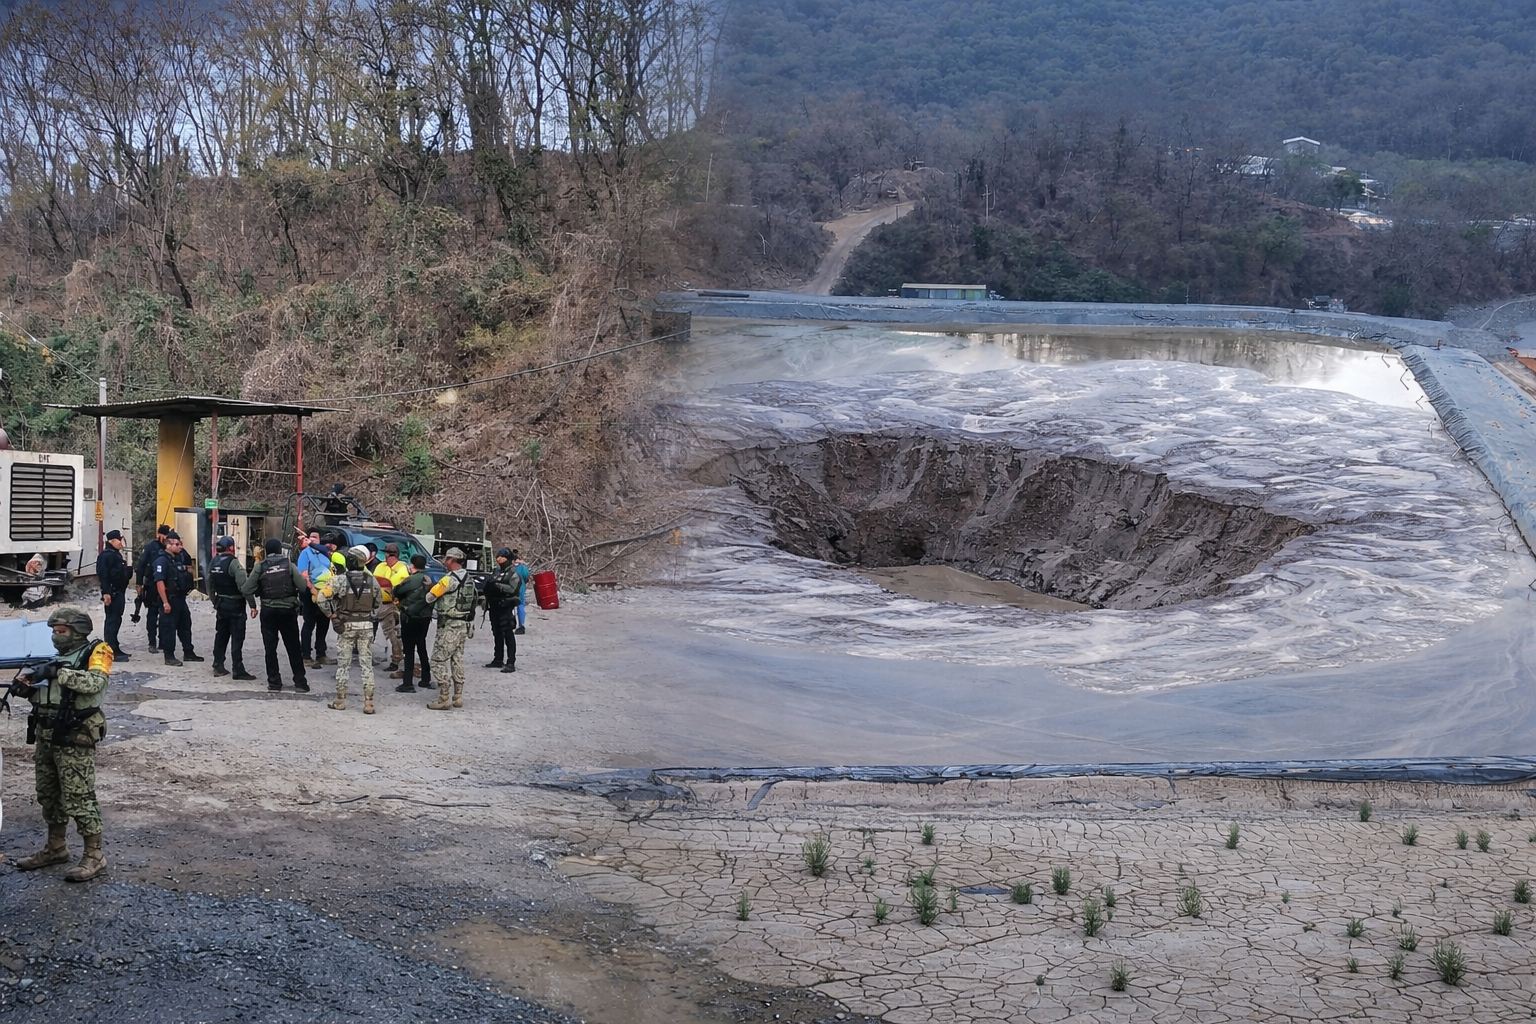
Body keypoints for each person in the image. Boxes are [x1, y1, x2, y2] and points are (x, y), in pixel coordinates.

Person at [12, 607, 113, 882]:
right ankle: (55, 848)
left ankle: (94, 855)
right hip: (47, 733)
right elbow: (49, 693)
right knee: (48, 793)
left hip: (74, 735)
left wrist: (58, 672)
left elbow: (94, 683)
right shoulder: (57, 658)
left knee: (78, 796)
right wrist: (28, 689)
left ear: (78, 631)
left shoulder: (98, 651)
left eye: (61, 632)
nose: (56, 637)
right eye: (53, 632)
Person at [241, 537, 310, 692]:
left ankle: (274, 683)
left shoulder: (260, 566)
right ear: (280, 550)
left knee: (270, 648)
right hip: (288, 611)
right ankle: (300, 682)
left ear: (267, 551)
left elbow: (246, 589)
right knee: (293, 647)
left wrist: (259, 589)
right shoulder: (289, 565)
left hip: (268, 612)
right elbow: (303, 586)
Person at [319, 545, 382, 713]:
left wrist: (331, 615)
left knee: (343, 664)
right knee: (366, 664)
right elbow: (378, 602)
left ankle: (340, 700)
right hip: (366, 625)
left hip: (346, 625)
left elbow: (321, 598)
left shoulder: (339, 580)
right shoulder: (371, 580)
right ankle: (369, 702)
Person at [424, 548, 476, 710]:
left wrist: (430, 587)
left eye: (446, 559)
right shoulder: (469, 578)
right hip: (463, 624)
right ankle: (458, 695)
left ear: (452, 560)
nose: (444, 561)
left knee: (437, 661)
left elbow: (430, 597)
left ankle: (444, 696)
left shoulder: (447, 580)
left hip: (448, 625)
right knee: (457, 658)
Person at [208, 536, 258, 680]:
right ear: (230, 547)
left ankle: (218, 664)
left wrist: (214, 601)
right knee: (237, 638)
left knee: (221, 636)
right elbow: (244, 587)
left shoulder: (214, 562)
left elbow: (209, 583)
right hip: (235, 605)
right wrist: (252, 605)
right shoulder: (234, 563)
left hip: (221, 604)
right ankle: (238, 669)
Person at [152, 531, 202, 666]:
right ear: (168, 545)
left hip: (180, 598)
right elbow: (160, 582)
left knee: (185, 625)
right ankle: (169, 656)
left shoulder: (177, 559)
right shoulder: (161, 560)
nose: (180, 547)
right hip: (170, 599)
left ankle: (189, 653)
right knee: (168, 627)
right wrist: (165, 602)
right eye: (177, 544)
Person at [391, 554, 432, 693]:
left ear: (412, 565)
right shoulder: (428, 578)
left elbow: (397, 591)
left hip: (410, 616)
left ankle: (407, 682)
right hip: (425, 617)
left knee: (408, 650)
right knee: (421, 645)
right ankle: (425, 679)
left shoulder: (413, 579)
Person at [296, 530, 333, 667]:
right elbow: (303, 574)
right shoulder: (305, 554)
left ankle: (321, 654)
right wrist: (312, 589)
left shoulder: (325, 553)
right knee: (309, 624)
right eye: (311, 537)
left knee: (323, 624)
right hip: (310, 592)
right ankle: (306, 655)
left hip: (326, 593)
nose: (313, 539)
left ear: (320, 539)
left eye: (315, 537)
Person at [484, 548, 522, 673]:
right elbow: (490, 582)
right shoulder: (497, 571)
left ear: (508, 559)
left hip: (506, 606)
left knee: (508, 634)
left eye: (502, 557)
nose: (499, 559)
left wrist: (497, 586)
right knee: (497, 633)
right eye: (498, 557)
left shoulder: (513, 574)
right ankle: (498, 659)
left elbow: (512, 589)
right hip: (494, 605)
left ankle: (511, 662)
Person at [97, 530, 132, 661]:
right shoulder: (106, 556)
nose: (121, 543)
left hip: (119, 592)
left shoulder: (115, 555)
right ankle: (110, 650)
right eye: (119, 540)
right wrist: (106, 593)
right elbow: (103, 575)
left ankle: (115, 647)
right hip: (113, 593)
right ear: (112, 541)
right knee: (112, 621)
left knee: (117, 620)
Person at [373, 542, 408, 671]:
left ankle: (396, 658)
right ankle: (397, 656)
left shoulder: (402, 568)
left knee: (394, 633)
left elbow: (397, 585)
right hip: (381, 604)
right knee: (391, 632)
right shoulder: (381, 566)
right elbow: (375, 582)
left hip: (395, 604)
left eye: (386, 554)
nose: (385, 557)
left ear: (392, 556)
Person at [134, 525, 169, 650]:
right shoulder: (150, 547)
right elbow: (141, 565)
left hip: (166, 585)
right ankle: (152, 641)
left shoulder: (170, 546)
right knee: (152, 613)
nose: (165, 539)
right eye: (163, 536)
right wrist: (139, 583)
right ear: (158, 535)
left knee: (165, 615)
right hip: (152, 584)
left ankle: (163, 641)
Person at [511, 549, 531, 635]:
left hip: (510, 590)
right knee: (521, 606)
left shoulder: (509, 568)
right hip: (521, 589)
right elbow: (527, 578)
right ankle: (521, 626)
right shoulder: (523, 568)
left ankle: (510, 624)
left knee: (510, 607)